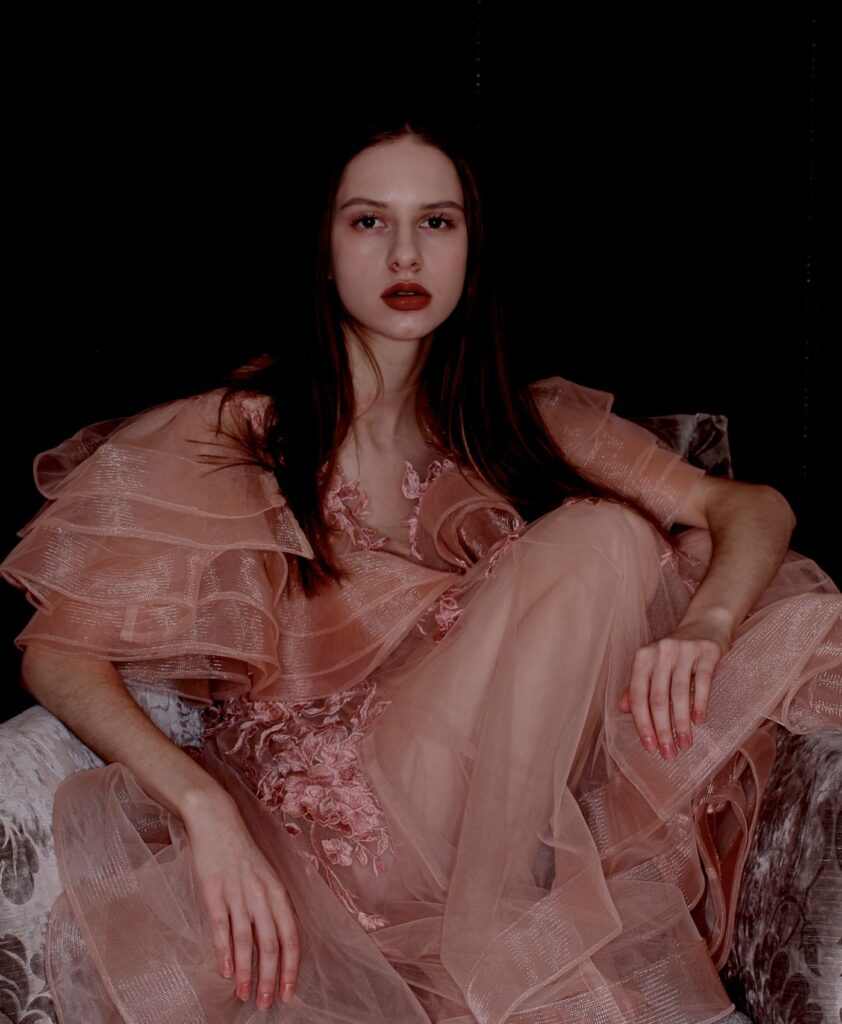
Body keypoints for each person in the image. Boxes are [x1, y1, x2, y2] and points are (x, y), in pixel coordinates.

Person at [1, 115, 840, 1024]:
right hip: (324, 843)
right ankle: (494, 955)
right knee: (606, 536)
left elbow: (752, 506)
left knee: (613, 537)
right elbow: (57, 656)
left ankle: (491, 944)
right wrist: (205, 809)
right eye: (369, 222)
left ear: (471, 255)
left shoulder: (510, 424)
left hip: (478, 835)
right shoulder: (237, 430)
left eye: (436, 223)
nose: (405, 254)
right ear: (325, 253)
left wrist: (705, 626)